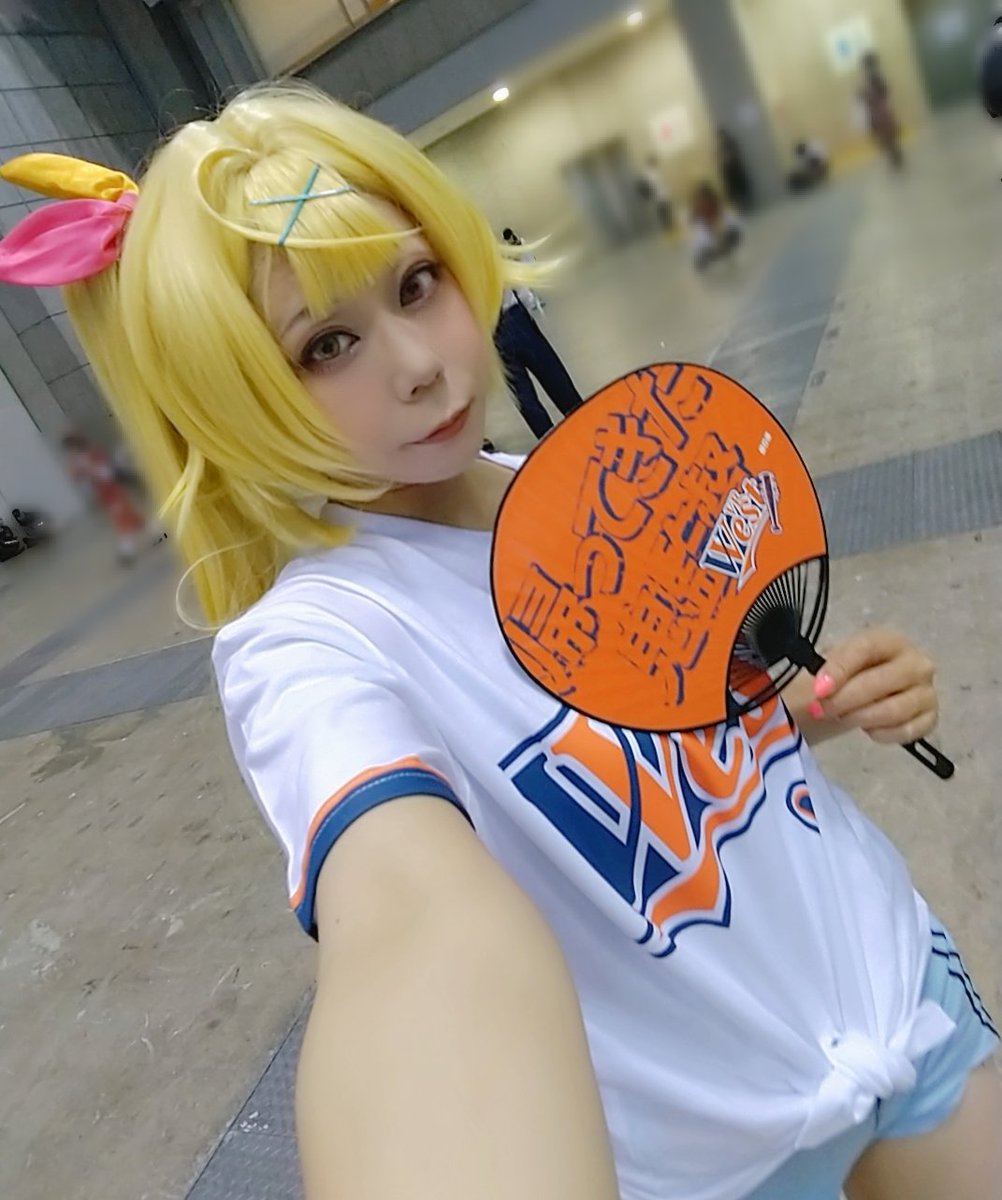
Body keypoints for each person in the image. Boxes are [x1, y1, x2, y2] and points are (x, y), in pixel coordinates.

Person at [0, 84, 996, 1200]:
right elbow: (410, 918)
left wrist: (819, 702)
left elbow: (695, 717)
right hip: (713, 1156)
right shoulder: (313, 644)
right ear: (236, 395)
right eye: (326, 345)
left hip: (896, 982)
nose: (420, 363)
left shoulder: (587, 490)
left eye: (416, 283)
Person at [494, 227, 583, 439]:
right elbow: (521, 272)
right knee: (550, 370)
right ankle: (580, 417)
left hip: (491, 332)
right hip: (514, 316)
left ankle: (548, 440)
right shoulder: (488, 250)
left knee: (523, 394)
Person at [61, 431, 155, 563]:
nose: (70, 449)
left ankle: (127, 552)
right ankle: (157, 533)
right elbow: (75, 476)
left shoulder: (91, 452)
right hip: (104, 492)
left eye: (71, 445)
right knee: (131, 517)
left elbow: (105, 470)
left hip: (112, 489)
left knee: (122, 519)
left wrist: (92, 471)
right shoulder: (77, 459)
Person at [859, 51, 904, 170]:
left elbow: (882, 92)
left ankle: (896, 158)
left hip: (879, 111)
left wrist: (866, 95)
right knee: (888, 137)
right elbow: (885, 91)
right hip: (880, 110)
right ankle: (896, 157)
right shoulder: (874, 76)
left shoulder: (874, 76)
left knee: (887, 137)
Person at [688, 180, 744, 271]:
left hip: (715, 225)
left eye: (703, 196)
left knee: (720, 239)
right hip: (709, 228)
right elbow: (694, 218)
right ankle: (715, 254)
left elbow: (720, 213)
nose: (703, 200)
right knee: (709, 243)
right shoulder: (701, 207)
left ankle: (722, 251)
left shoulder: (713, 204)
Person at [716, 127, 754, 213]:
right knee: (735, 190)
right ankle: (742, 206)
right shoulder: (720, 147)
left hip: (734, 169)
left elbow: (735, 154)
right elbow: (721, 159)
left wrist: (729, 158)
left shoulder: (730, 143)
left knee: (740, 187)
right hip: (729, 170)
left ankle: (746, 204)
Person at [637, 154, 675, 232]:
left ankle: (669, 226)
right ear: (651, 162)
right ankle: (668, 227)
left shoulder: (652, 172)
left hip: (660, 196)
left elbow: (659, 184)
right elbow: (654, 185)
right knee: (664, 213)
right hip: (658, 196)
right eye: (655, 161)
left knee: (665, 212)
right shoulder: (648, 173)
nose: (656, 163)